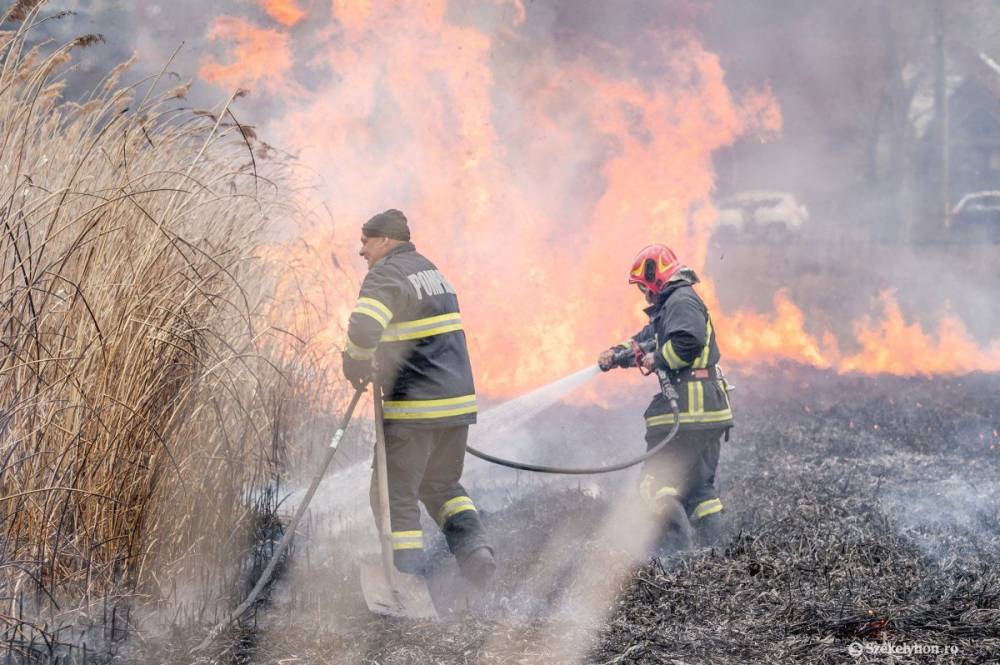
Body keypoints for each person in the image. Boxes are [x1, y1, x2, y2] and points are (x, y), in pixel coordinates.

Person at [341, 209, 496, 586]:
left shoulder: (387, 274)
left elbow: (363, 328)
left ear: (385, 240)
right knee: (442, 487)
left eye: (366, 241)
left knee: (394, 496)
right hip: (455, 408)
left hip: (414, 408)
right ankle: (476, 553)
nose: (361, 251)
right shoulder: (432, 272)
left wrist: (356, 363)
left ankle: (407, 579)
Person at [598, 244, 734, 553]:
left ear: (655, 277)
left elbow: (687, 340)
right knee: (700, 491)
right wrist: (617, 355)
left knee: (655, 485)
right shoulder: (675, 304)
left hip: (687, 410)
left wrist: (657, 359)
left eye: (644, 287)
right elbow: (648, 338)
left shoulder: (681, 300)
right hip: (708, 410)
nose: (644, 294)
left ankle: (672, 556)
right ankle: (716, 555)